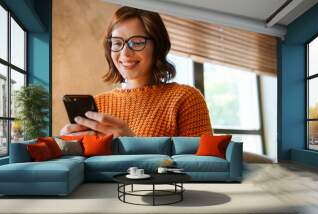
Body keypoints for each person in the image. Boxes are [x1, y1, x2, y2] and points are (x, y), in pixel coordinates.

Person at [60, 6, 212, 137]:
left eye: (137, 42)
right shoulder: (98, 105)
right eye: (117, 43)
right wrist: (68, 148)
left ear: (157, 45)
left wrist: (131, 145)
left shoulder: (185, 99)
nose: (125, 53)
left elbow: (204, 167)